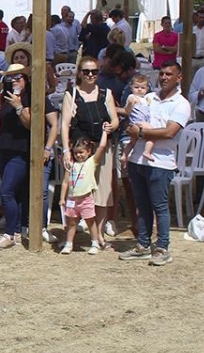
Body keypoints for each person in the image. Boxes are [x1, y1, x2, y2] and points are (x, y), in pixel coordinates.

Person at [121, 62, 190, 266]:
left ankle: (162, 246)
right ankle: (143, 244)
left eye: (169, 74)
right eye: (161, 73)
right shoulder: (150, 97)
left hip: (162, 161)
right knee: (142, 206)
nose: (164, 77)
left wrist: (140, 133)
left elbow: (169, 132)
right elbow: (133, 116)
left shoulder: (181, 104)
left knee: (159, 206)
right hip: (138, 158)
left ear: (179, 77)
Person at [61, 56, 119, 246]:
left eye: (94, 71)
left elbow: (115, 118)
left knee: (102, 192)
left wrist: (112, 127)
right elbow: (64, 125)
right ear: (80, 73)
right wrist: (67, 152)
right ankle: (71, 235)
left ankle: (99, 234)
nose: (91, 75)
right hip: (80, 151)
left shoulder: (106, 93)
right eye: (86, 72)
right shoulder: (72, 94)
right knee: (77, 191)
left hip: (103, 148)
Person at [0, 64, 33, 250]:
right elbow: (1, 127)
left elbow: (31, 124)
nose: (14, 81)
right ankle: (16, 230)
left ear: (26, 79)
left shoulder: (30, 98)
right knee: (13, 193)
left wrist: (18, 107)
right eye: (11, 78)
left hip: (21, 152)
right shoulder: (4, 98)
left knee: (6, 191)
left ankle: (9, 233)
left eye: (18, 77)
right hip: (5, 150)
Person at [120, 74, 154, 162]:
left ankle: (124, 155)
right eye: (136, 87)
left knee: (132, 142)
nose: (139, 89)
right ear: (131, 88)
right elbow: (127, 111)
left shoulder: (146, 99)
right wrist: (131, 104)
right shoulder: (132, 97)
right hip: (137, 122)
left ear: (147, 89)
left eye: (142, 88)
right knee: (152, 134)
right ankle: (147, 151)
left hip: (143, 121)